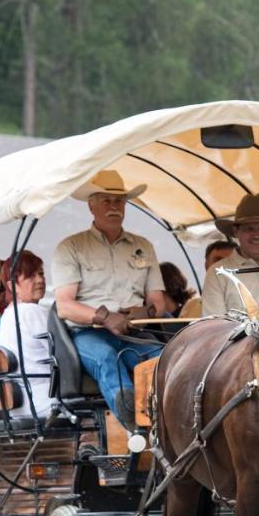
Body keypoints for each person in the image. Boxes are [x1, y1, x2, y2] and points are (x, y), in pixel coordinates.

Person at [52, 169, 171, 429]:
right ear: (91, 206)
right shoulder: (71, 247)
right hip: (88, 334)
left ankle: (173, 425)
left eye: (119, 201)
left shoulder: (143, 246)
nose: (114, 206)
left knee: (164, 359)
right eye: (106, 200)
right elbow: (65, 305)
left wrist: (145, 313)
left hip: (134, 333)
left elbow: (158, 302)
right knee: (107, 358)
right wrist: (105, 317)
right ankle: (135, 427)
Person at [199, 193, 259, 316]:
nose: (257, 234)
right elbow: (214, 323)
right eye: (249, 229)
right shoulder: (217, 272)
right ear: (236, 232)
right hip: (240, 335)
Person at [0, 250, 53, 418]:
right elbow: (66, 355)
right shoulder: (33, 311)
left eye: (41, 273)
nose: (40, 280)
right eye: (30, 276)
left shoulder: (7, 314)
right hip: (46, 401)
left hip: (19, 405)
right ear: (12, 285)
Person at [178, 241, 234, 319]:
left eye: (230, 261)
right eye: (217, 261)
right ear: (206, 265)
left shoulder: (248, 306)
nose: (222, 267)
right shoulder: (191, 305)